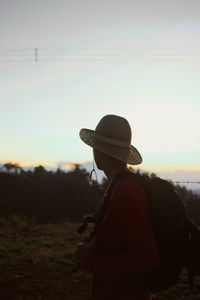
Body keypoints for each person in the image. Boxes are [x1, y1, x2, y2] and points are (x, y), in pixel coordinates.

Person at [75, 114, 160, 300]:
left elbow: (147, 259)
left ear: (98, 153)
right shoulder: (120, 185)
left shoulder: (126, 191)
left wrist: (90, 258)